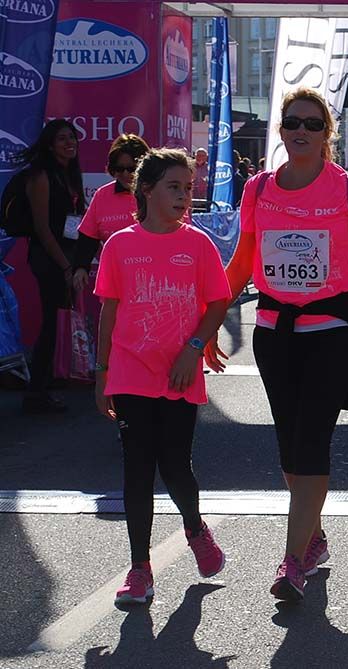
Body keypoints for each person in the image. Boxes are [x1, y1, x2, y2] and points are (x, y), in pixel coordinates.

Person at [203, 87, 348, 602]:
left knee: (312, 443)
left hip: (332, 334)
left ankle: (292, 561)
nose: (302, 131)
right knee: (290, 453)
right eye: (293, 121)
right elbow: (242, 263)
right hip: (275, 334)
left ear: (326, 134)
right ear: (282, 128)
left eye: (313, 124)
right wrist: (207, 327)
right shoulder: (258, 189)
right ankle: (312, 539)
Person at [94, 148, 230, 605]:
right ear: (146, 189)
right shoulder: (119, 245)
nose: (184, 195)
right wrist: (101, 373)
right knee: (137, 468)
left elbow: (217, 303)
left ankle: (194, 527)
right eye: (174, 187)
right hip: (130, 372)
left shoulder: (197, 244)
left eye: (189, 187)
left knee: (175, 466)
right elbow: (109, 311)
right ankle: (140, 570)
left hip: (179, 373)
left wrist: (195, 348)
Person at [19, 119, 86, 414]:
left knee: (57, 321)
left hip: (67, 256)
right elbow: (42, 229)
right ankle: (36, 392)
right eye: (62, 138)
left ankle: (47, 382)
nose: (69, 142)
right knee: (50, 322)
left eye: (72, 137)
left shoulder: (69, 173)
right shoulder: (40, 175)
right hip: (49, 258)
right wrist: (65, 266)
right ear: (49, 144)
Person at [73, 134, 150, 295]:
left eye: (132, 168)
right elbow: (88, 237)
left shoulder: (157, 193)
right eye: (119, 169)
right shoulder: (102, 195)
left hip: (152, 279)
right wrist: (81, 267)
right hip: (115, 281)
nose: (126, 174)